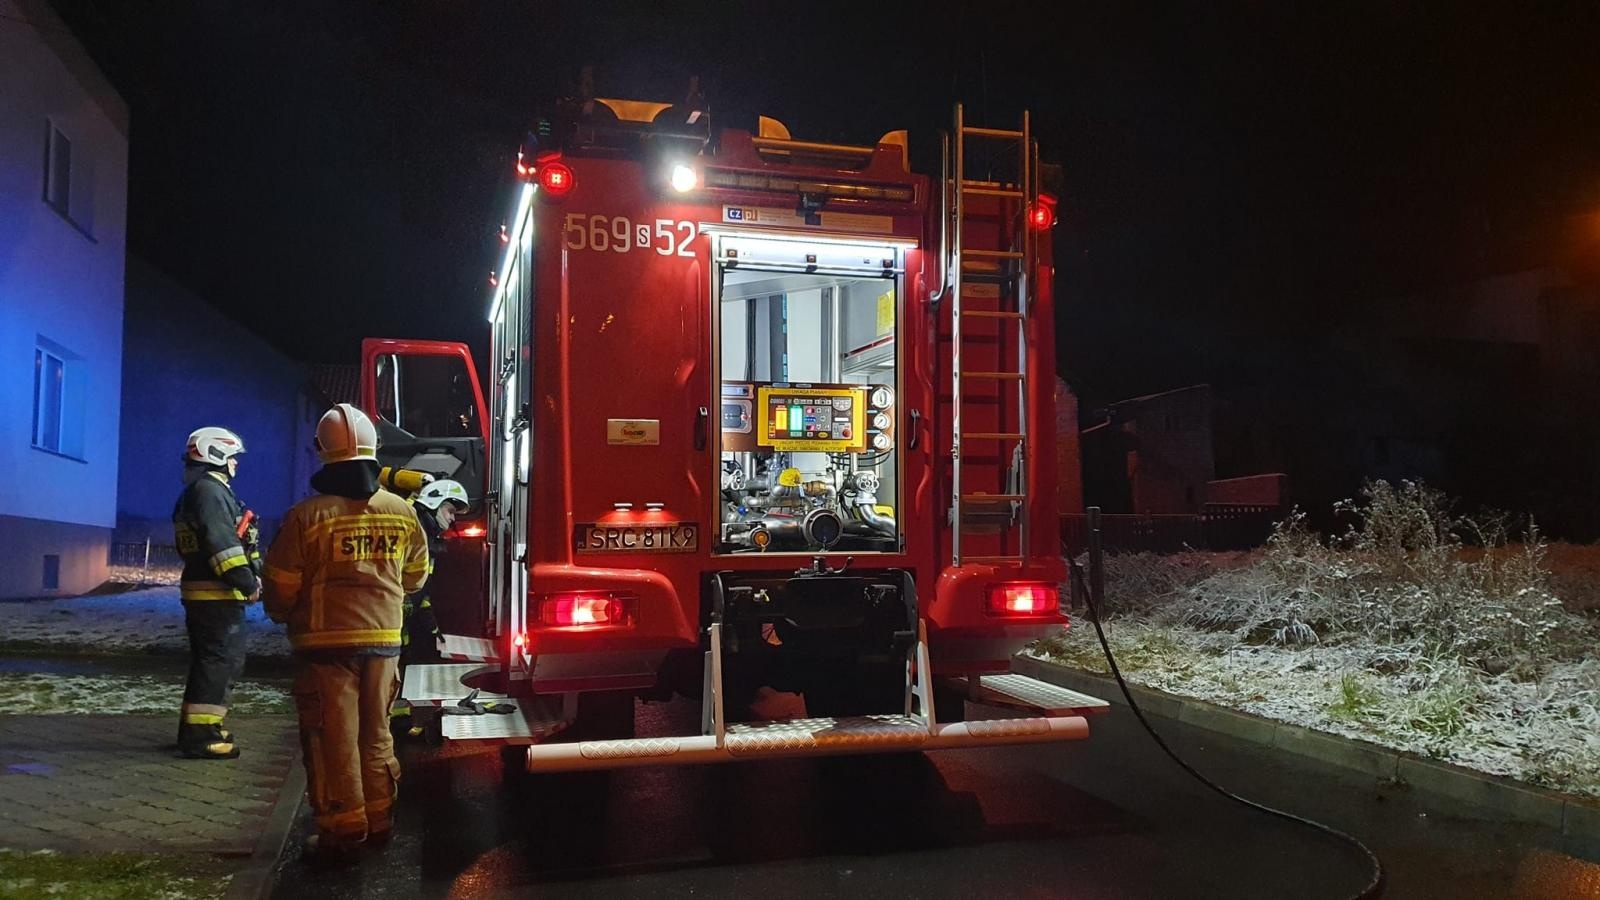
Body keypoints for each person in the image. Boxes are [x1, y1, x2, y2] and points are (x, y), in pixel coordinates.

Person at [262, 403, 429, 859]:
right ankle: (379, 821)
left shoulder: (305, 517)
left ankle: (342, 831)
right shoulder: (401, 511)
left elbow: (280, 587)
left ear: (324, 453)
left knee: (331, 739)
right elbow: (416, 575)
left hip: (324, 647)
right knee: (376, 735)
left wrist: (283, 614)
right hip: (384, 643)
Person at [172, 426, 261, 760]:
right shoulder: (210, 492)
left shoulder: (199, 490)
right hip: (215, 595)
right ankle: (201, 736)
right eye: (233, 456)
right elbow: (221, 543)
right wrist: (246, 581)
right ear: (217, 454)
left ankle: (201, 728)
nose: (236, 463)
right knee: (218, 664)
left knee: (211, 663)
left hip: (207, 592)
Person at [391, 479, 469, 735]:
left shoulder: (426, 536)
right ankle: (385, 723)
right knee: (387, 666)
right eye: (450, 510)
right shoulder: (414, 531)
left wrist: (433, 627)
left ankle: (397, 719)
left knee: (399, 661)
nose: (452, 518)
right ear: (434, 503)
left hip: (398, 616)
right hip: (387, 615)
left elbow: (422, 592)